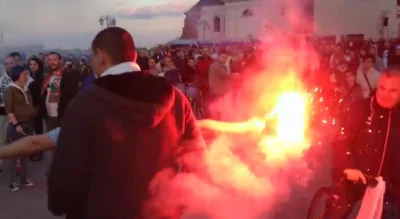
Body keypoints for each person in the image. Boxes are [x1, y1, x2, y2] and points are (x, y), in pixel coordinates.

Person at [47, 27, 205, 219]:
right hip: (162, 211)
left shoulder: (84, 105)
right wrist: (178, 202)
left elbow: (66, 173)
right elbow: (197, 158)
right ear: (135, 56)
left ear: (100, 56)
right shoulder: (177, 99)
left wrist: (57, 203)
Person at [329, 67, 400, 218]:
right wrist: (348, 166)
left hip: (388, 187)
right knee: (336, 212)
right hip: (355, 178)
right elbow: (342, 140)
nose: (385, 95)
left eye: (393, 90)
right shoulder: (360, 108)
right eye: (382, 88)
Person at [4, 65, 36, 191]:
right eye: (24, 75)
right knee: (14, 154)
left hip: (28, 124)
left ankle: (24, 178)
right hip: (17, 125)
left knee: (24, 153)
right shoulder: (10, 90)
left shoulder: (26, 88)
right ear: (17, 76)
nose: (26, 77)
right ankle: (13, 181)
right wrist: (16, 124)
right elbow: (9, 110)